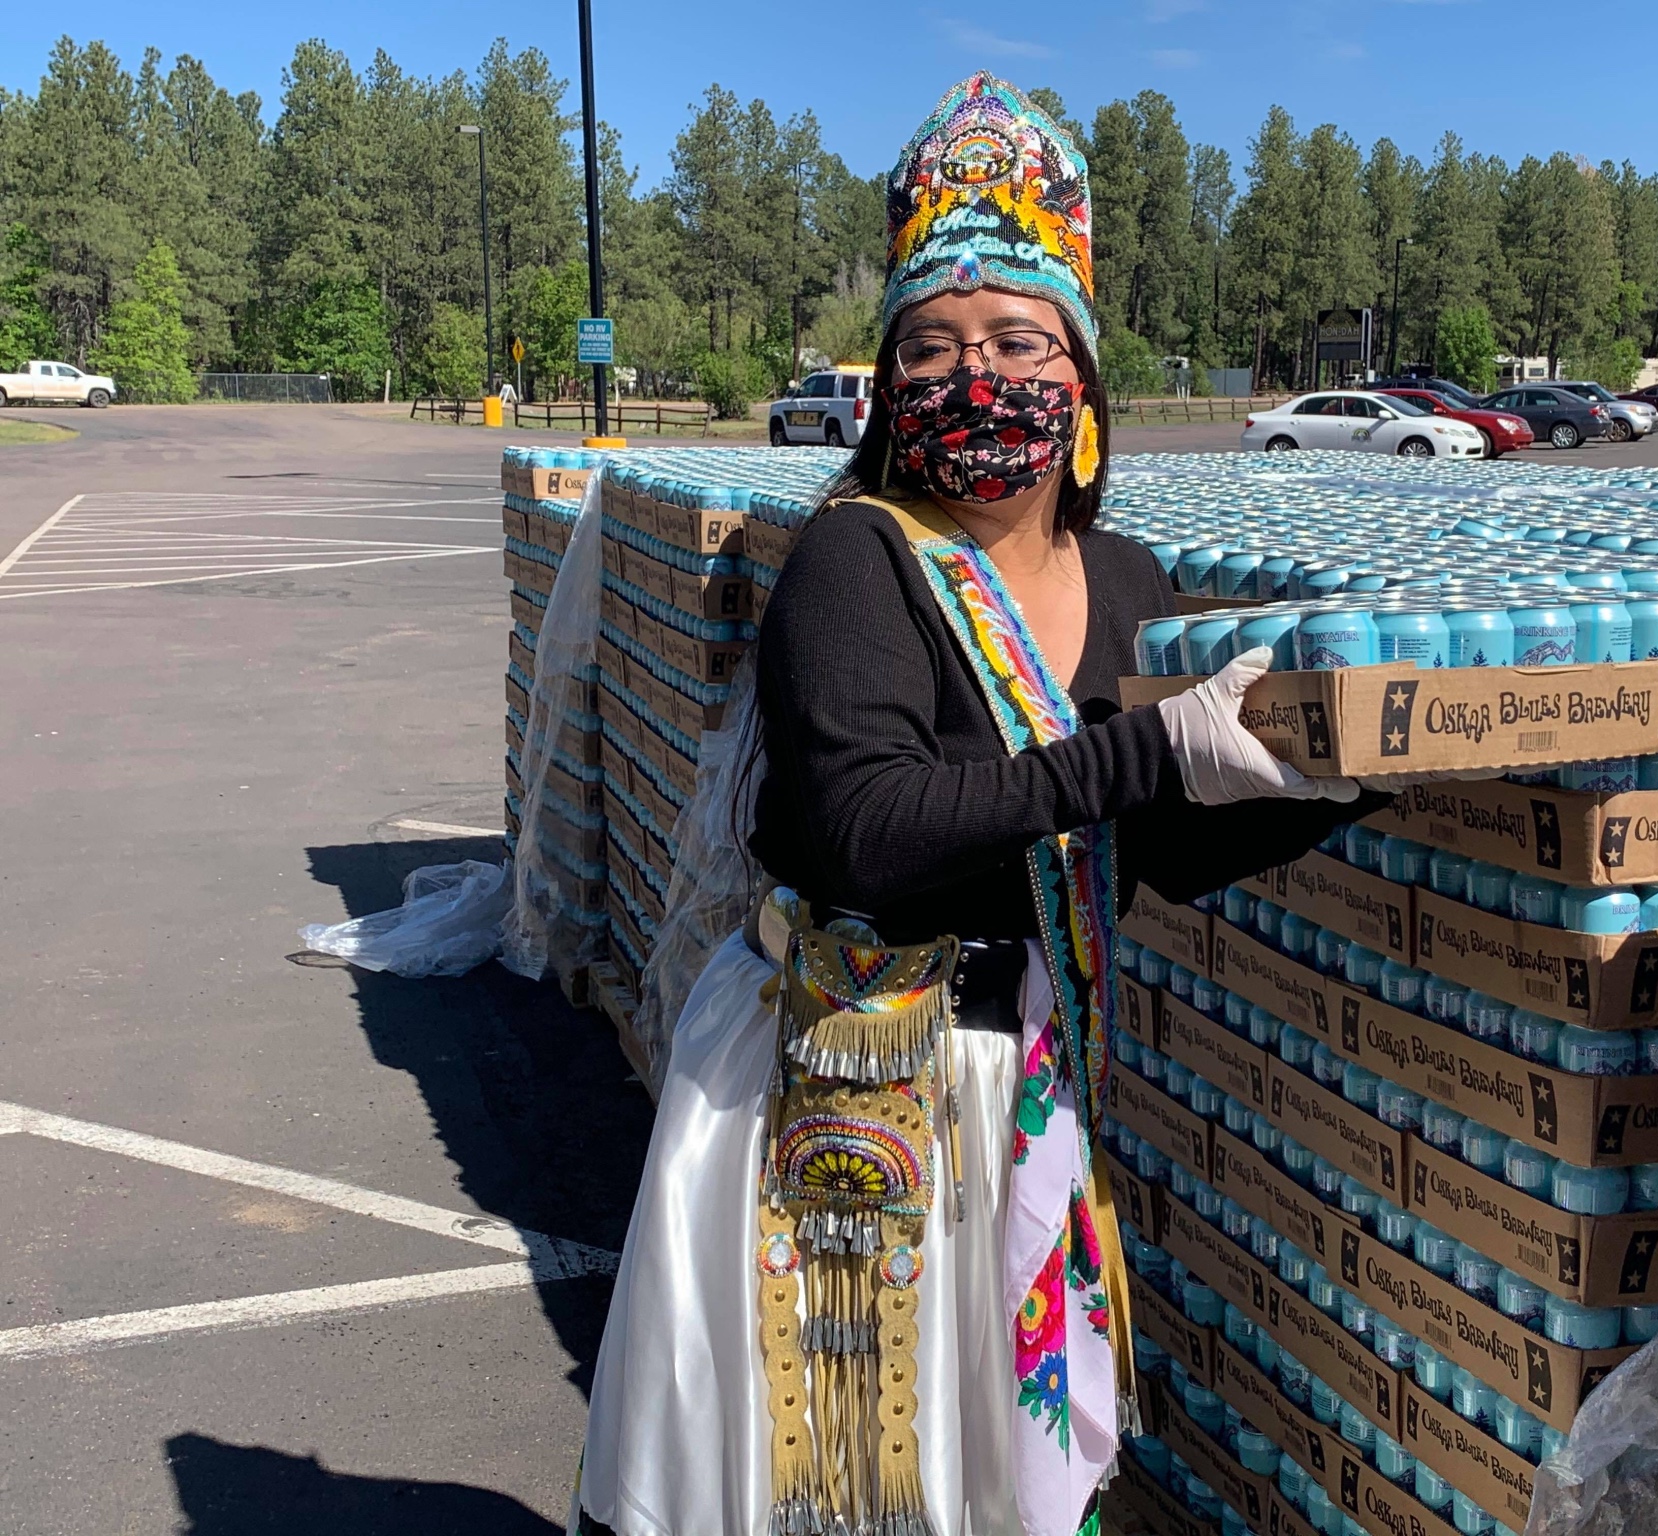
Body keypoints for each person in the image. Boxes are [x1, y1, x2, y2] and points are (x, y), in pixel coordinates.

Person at [570, 74, 1393, 1536]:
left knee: (994, 1487)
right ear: (889, 388)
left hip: (1024, 1091)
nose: (975, 374)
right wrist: (1151, 752)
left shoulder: (1126, 583)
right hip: (848, 1087)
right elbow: (867, 829)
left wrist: (1342, 773)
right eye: (933, 347)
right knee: (853, 1480)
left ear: (1078, 379)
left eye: (1017, 339)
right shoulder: (858, 563)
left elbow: (1158, 846)